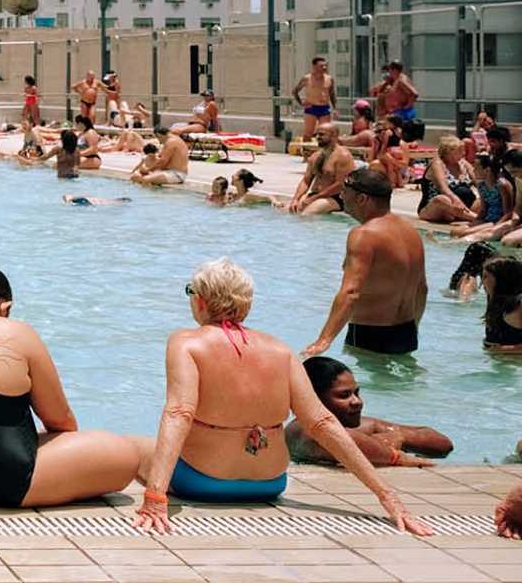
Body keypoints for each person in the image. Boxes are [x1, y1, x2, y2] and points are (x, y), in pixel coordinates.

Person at [133, 259, 428, 534]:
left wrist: (155, 497)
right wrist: (386, 495)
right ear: (246, 304)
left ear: (200, 300)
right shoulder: (280, 349)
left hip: (203, 482)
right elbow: (322, 423)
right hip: (270, 483)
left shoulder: (185, 342)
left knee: (135, 448)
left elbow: (179, 413)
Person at [0, 266, 144, 508]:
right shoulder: (15, 332)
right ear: (4, 307)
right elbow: (61, 422)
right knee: (126, 454)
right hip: (1, 482)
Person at [303, 168, 427, 356]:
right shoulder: (411, 232)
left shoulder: (364, 235)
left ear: (362, 199)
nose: (341, 196)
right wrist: (414, 329)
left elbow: (351, 292)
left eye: (345, 191)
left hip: (370, 335)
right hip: (407, 333)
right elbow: (422, 288)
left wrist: (324, 340)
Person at [286, 357, 452, 467]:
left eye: (356, 393)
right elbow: (345, 441)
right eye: (344, 395)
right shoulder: (301, 429)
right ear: (313, 397)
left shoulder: (365, 426)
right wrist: (390, 450)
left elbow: (443, 444)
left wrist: (399, 436)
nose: (357, 401)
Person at [286, 125, 357, 215]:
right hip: (316, 195)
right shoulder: (315, 156)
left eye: (321, 134)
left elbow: (341, 184)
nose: (317, 137)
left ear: (334, 135)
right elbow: (306, 181)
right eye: (316, 134)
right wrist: (295, 199)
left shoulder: (343, 156)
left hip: (337, 197)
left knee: (307, 214)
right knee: (289, 210)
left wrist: (314, 198)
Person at [292, 56, 336, 141]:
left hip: (324, 108)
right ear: (314, 66)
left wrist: (335, 108)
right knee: (308, 134)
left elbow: (332, 94)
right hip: (311, 108)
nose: (324, 68)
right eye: (321, 66)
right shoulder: (306, 78)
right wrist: (301, 103)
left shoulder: (329, 79)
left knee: (325, 133)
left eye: (325, 65)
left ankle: (323, 153)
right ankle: (306, 152)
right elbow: (295, 91)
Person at [484, 257, 522, 350]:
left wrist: (505, 349)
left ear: (502, 279)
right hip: (502, 362)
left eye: (486, 276)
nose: (482, 282)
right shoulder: (494, 302)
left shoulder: (519, 305)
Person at [371, 60, 419, 125]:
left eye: (389, 69)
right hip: (396, 112)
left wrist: (407, 106)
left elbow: (414, 93)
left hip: (402, 113)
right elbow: (374, 90)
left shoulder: (401, 80)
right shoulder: (395, 80)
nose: (389, 72)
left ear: (394, 70)